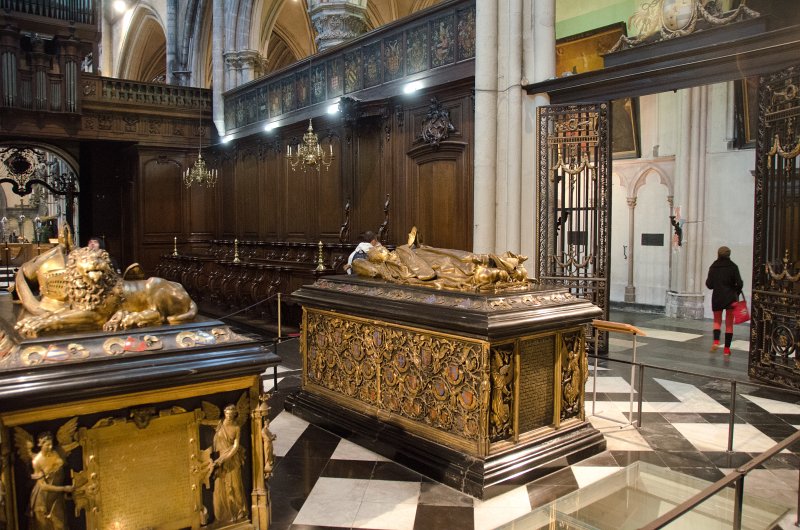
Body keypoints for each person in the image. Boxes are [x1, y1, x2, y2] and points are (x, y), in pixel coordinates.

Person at [211, 405, 247, 522]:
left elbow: (236, 447)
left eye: (232, 414)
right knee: (220, 487)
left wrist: (223, 459)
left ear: (235, 414)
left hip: (231, 459)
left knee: (236, 486)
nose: (229, 416)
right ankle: (223, 515)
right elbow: (204, 421)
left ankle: (240, 511)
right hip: (220, 460)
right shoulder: (219, 424)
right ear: (224, 413)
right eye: (227, 414)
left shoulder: (236, 427)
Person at [705, 246, 743, 355]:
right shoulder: (733, 267)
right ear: (728, 255)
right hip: (730, 298)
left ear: (718, 254)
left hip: (717, 297)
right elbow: (739, 283)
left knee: (717, 321)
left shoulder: (714, 266)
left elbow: (709, 285)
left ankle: (716, 342)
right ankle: (726, 349)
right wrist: (736, 291)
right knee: (729, 324)